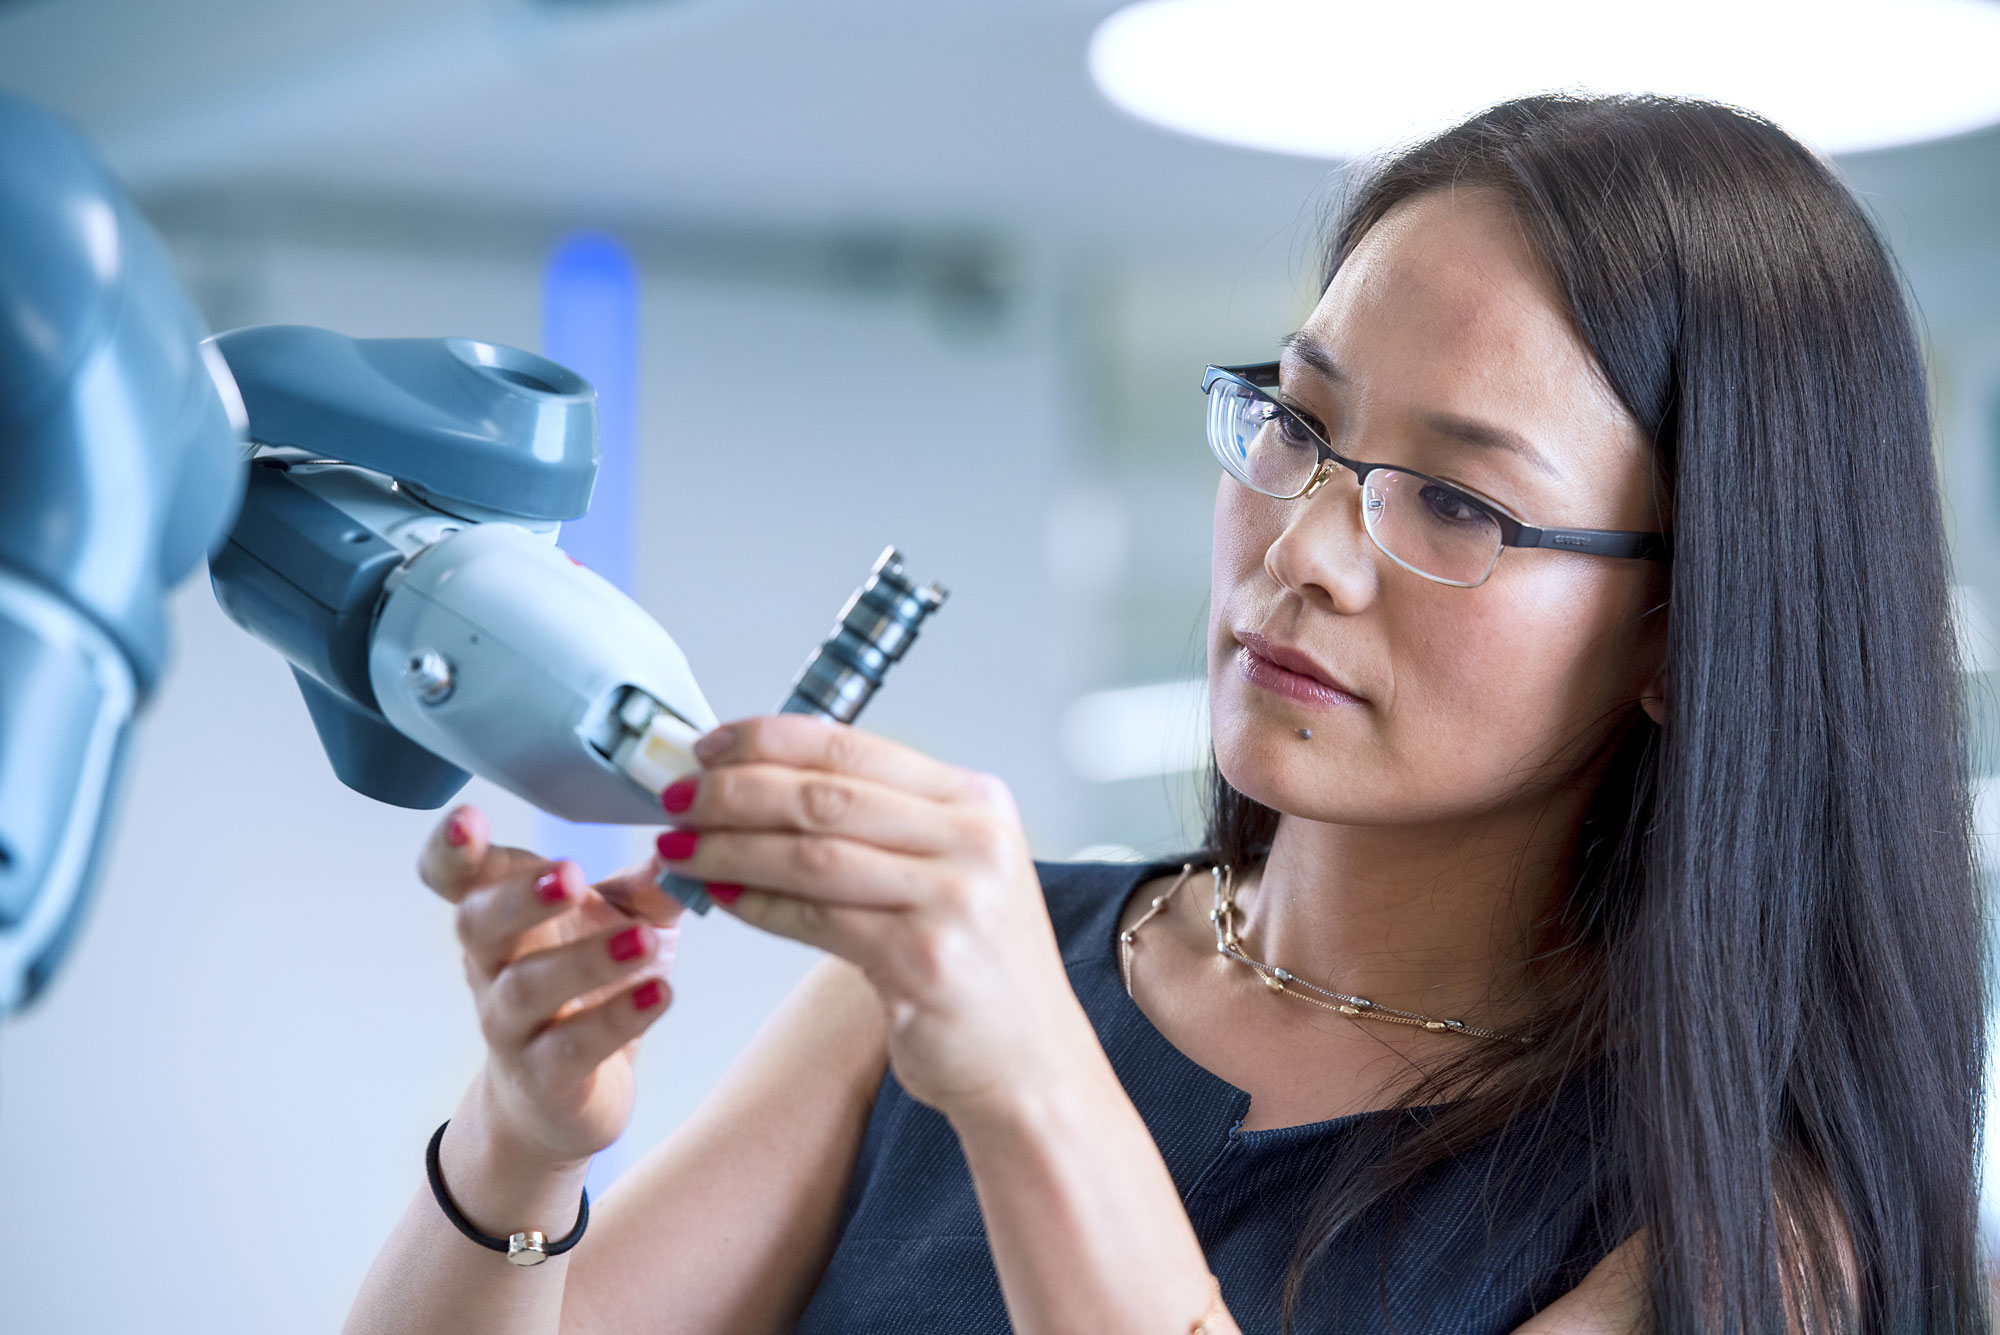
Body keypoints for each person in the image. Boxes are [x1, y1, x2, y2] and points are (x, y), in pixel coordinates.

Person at [341, 93, 1987, 1334]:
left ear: (1680, 633)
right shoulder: (971, 983)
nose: (1304, 546)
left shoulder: (1740, 1238)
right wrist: (521, 1137)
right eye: (1298, 421)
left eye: (1459, 504)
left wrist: (1031, 1080)